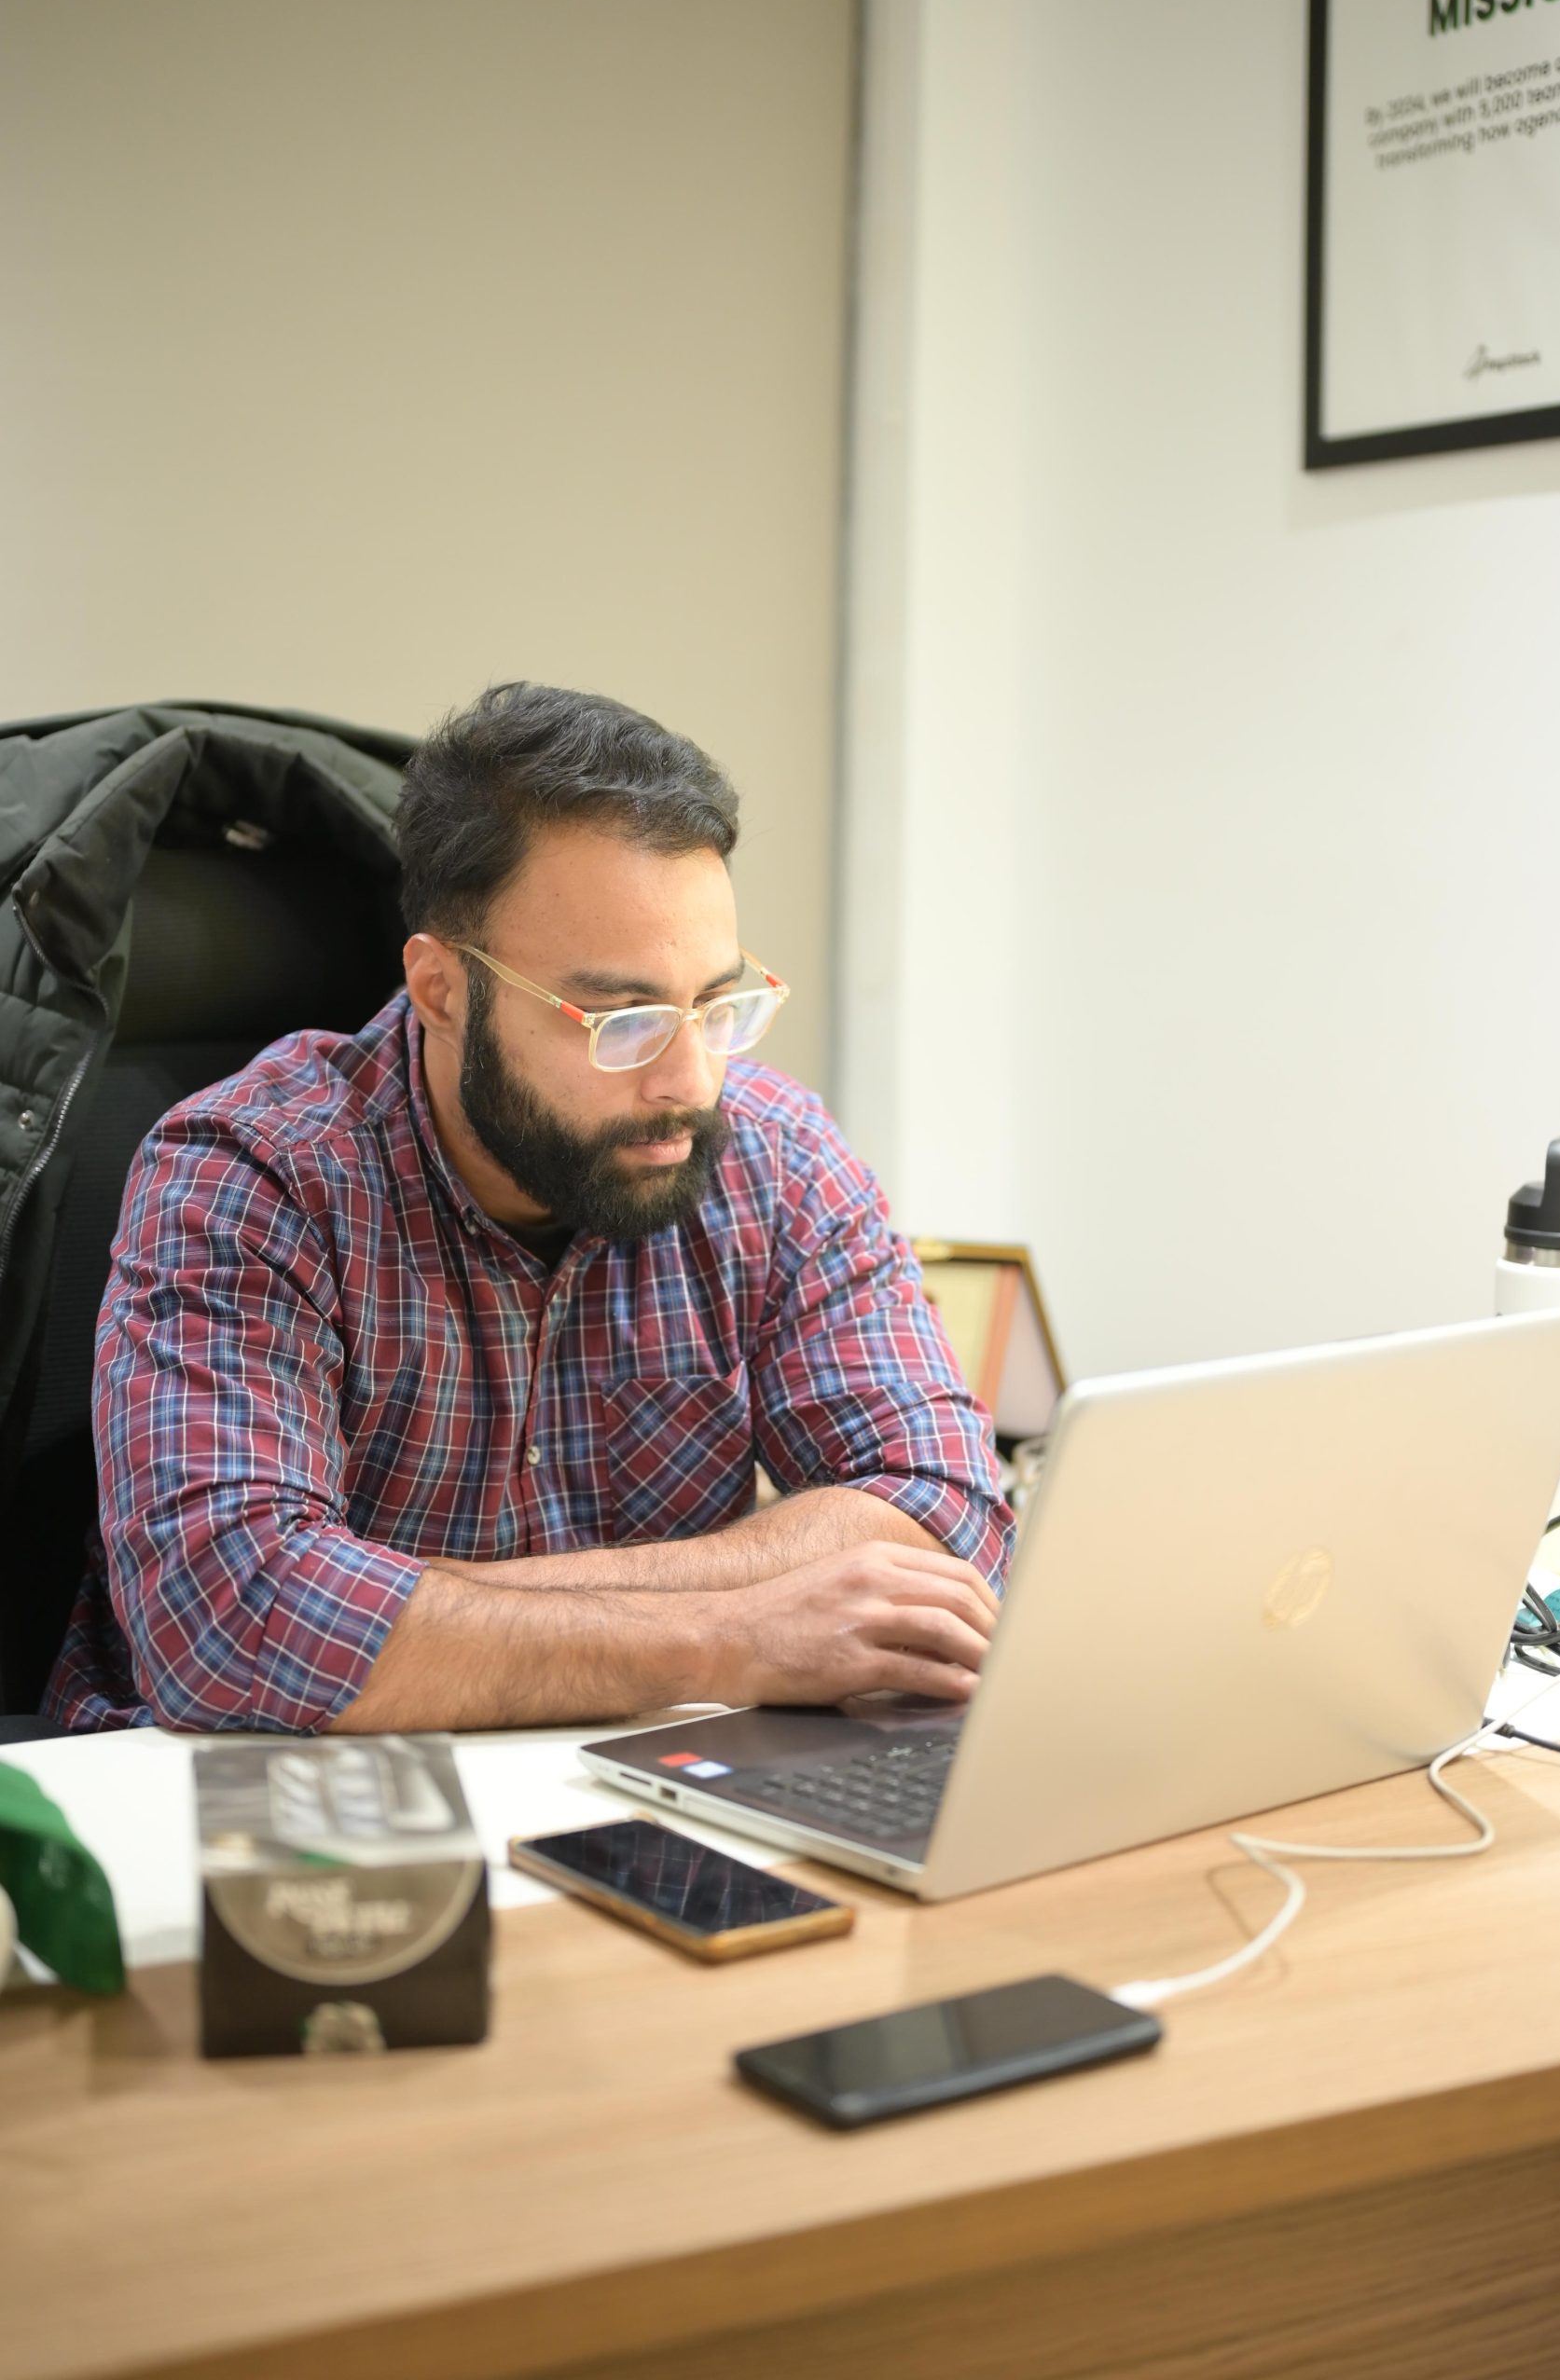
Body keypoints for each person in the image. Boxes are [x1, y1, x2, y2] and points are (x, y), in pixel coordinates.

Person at [46, 683, 1014, 1733]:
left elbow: (945, 1512)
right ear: (442, 990)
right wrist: (737, 1634)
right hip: (281, 1816)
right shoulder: (252, 1176)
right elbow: (233, 1622)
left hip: (636, 1776)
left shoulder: (771, 1155)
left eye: (715, 1005)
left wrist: (454, 1619)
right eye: (621, 1018)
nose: (687, 1080)